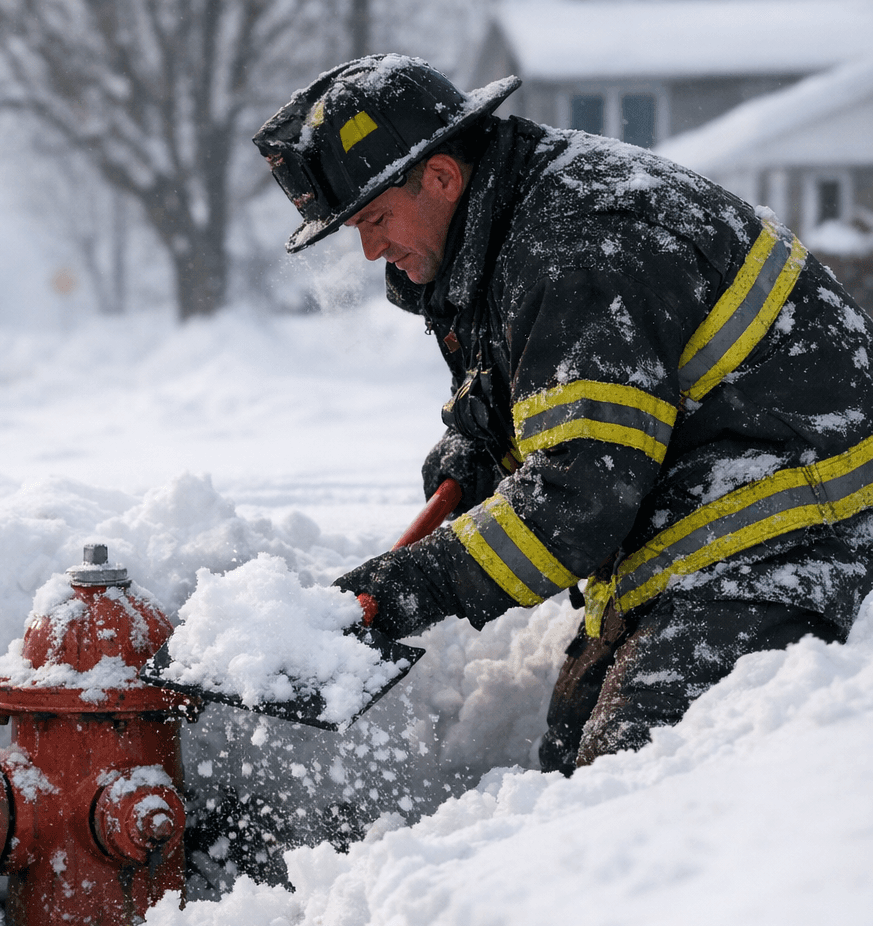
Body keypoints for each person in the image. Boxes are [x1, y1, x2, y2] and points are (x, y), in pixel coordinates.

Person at [253, 56, 873, 774]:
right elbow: (551, 397)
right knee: (568, 764)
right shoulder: (511, 221)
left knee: (632, 777)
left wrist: (406, 589)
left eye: (375, 219)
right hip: (704, 514)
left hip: (794, 526)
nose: (369, 251)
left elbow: (577, 499)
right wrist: (479, 447)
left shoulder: (575, 244)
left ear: (443, 177)